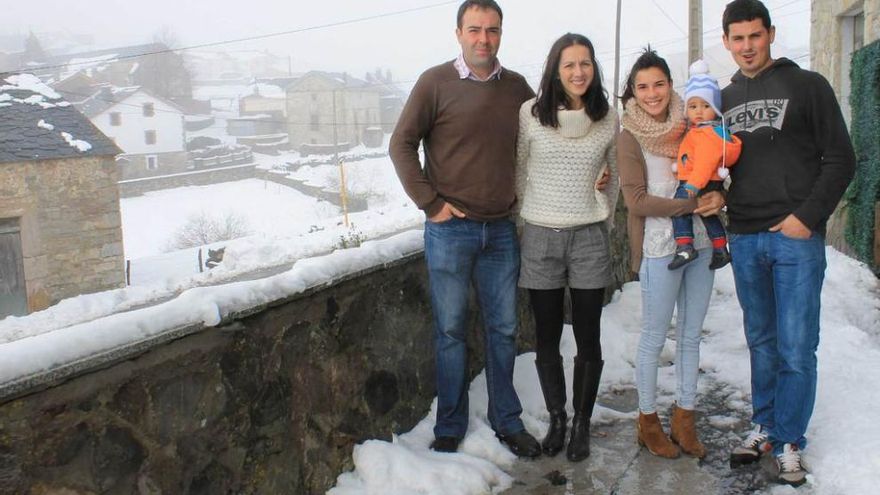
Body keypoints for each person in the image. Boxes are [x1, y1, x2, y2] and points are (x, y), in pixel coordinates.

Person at [389, 0, 541, 458]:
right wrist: (430, 204)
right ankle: (450, 425)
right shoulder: (434, 83)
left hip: (499, 232)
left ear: (501, 33)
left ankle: (506, 420)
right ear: (458, 33)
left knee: (504, 330)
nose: (484, 39)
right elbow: (400, 145)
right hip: (450, 231)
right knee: (451, 332)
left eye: (492, 30)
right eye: (474, 29)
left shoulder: (517, 89)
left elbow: (545, 138)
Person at [720, 0, 855, 486]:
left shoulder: (808, 86)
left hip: (794, 239)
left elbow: (841, 158)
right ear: (727, 43)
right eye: (738, 38)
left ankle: (791, 440)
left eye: (755, 36)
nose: (747, 46)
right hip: (746, 236)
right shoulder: (723, 98)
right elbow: (712, 166)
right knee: (761, 340)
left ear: (770, 34)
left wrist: (806, 217)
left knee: (797, 347)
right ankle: (765, 425)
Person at [515, 33, 618, 461]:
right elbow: (520, 171)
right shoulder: (530, 115)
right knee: (547, 336)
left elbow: (612, 180)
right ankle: (557, 419)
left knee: (589, 338)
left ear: (594, 70)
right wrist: (529, 218)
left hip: (590, 238)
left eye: (586, 64)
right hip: (540, 235)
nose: (578, 72)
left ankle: (582, 423)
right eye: (570, 64)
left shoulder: (608, 118)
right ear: (555, 70)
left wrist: (602, 207)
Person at [618, 48, 725, 460]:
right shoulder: (629, 136)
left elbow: (712, 172)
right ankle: (647, 421)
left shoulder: (692, 122)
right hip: (660, 248)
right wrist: (688, 206)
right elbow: (637, 201)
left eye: (659, 84)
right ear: (633, 91)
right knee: (654, 337)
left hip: (699, 243)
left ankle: (685, 417)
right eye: (642, 86)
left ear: (671, 85)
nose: (652, 93)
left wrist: (718, 195)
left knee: (691, 335)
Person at [668, 59, 742, 271]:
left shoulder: (707, 133)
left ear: (716, 108)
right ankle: (720, 248)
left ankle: (684, 246)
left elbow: (705, 161)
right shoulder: (705, 131)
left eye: (706, 105)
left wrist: (692, 184)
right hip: (709, 181)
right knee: (707, 212)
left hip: (699, 181)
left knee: (678, 209)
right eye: (693, 106)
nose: (698, 111)